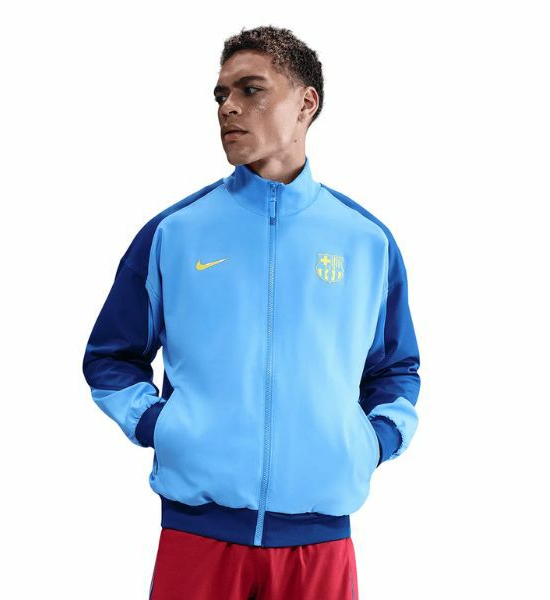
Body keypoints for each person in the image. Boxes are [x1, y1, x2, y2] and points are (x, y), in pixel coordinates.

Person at [82, 25, 421, 600]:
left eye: (251, 89)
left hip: (319, 541)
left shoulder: (366, 241)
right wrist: (161, 427)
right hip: (198, 534)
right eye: (221, 95)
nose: (228, 107)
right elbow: (111, 356)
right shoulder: (175, 233)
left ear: (306, 103)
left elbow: (395, 367)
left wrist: (373, 440)